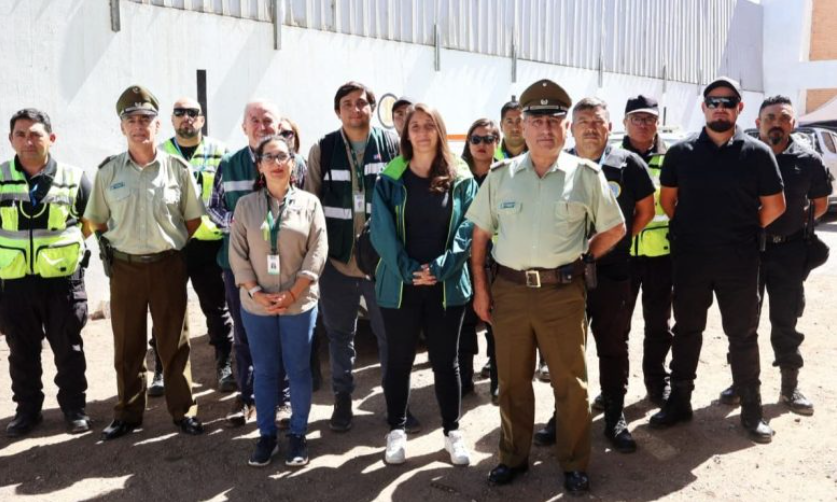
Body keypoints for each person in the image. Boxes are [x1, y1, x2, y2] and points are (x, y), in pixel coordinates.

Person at [468, 79, 626, 495]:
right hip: (511, 293)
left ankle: (574, 463)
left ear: (565, 127)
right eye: (536, 121)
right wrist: (481, 290)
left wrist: (585, 255)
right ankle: (512, 456)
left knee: (570, 385)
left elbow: (615, 227)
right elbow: (480, 239)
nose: (545, 129)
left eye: (554, 120)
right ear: (521, 125)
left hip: (562, 295)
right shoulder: (502, 176)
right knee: (513, 383)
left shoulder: (585, 175)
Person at [651, 77, 786, 444]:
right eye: (713, 101)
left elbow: (775, 206)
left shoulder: (757, 153)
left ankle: (752, 410)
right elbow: (668, 202)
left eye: (728, 102)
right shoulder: (681, 153)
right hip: (692, 260)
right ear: (704, 107)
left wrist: (739, 230)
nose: (720, 107)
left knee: (742, 334)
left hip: (739, 262)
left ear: (740, 108)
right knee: (687, 330)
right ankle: (679, 401)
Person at [84, 85, 205, 440]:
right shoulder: (108, 172)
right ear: (122, 127)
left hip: (168, 266)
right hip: (125, 269)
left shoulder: (178, 169)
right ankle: (127, 414)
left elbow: (193, 220)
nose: (139, 126)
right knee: (127, 345)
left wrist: (168, 243)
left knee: (175, 344)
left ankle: (183, 411)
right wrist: (127, 244)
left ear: (157, 126)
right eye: (131, 120)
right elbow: (98, 221)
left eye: (146, 119)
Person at [534, 98, 655, 453]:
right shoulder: (559, 164)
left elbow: (645, 212)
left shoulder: (628, 164)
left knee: (612, 344)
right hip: (565, 274)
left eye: (596, 120)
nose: (589, 126)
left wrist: (613, 242)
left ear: (609, 126)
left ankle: (615, 415)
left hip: (614, 272)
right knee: (566, 349)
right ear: (570, 127)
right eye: (582, 120)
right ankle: (563, 414)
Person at [371, 103, 478, 466]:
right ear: (406, 134)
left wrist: (442, 267)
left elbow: (469, 227)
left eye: (429, 125)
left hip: (446, 286)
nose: (421, 132)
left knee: (446, 362)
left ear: (440, 131)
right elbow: (381, 232)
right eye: (414, 126)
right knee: (398, 362)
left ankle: (452, 432)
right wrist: (408, 270)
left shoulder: (460, 175)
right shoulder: (390, 176)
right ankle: (396, 430)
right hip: (400, 286)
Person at [717, 96, 832, 415]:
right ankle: (741, 382)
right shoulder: (742, 156)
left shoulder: (808, 160)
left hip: (789, 252)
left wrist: (795, 219)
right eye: (769, 118)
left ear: (793, 124)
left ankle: (789, 386)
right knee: (743, 320)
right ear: (758, 123)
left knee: (786, 320)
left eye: (784, 117)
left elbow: (820, 204)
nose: (776, 123)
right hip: (749, 251)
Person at [305, 81, 409, 432]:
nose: (355, 109)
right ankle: (342, 401)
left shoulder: (393, 146)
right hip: (337, 262)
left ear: (371, 108)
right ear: (338, 111)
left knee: (390, 337)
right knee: (339, 337)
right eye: (347, 104)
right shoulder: (323, 149)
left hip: (381, 264)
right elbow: (312, 208)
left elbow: (404, 199)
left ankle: (398, 405)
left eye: (362, 103)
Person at [229, 135, 327, 467]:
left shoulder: (310, 204)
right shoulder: (245, 206)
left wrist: (293, 293)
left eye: (282, 156)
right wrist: (256, 291)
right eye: (268, 157)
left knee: (298, 370)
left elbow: (317, 252)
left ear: (293, 163)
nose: (276, 162)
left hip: (298, 304)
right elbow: (237, 255)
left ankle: (298, 435)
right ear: (259, 165)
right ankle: (267, 435)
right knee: (266, 371)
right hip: (257, 305)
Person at [1, 108, 92, 436]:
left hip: (62, 282)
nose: (28, 140)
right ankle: (27, 410)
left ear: (51, 139)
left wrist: (66, 249)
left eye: (35, 134)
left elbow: (91, 220)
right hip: (14, 283)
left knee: (68, 347)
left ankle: (74, 409)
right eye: (21, 134)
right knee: (21, 351)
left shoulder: (73, 177)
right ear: (11, 140)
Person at [208, 100, 291, 427]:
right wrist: (245, 224)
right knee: (243, 335)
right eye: (253, 120)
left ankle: (282, 401)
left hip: (281, 266)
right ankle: (248, 398)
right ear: (244, 127)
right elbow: (213, 208)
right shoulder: (228, 164)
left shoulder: (289, 163)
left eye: (267, 120)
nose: (261, 126)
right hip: (238, 267)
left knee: (281, 333)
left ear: (278, 124)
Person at [146, 97, 235, 397]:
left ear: (202, 119)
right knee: (165, 311)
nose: (186, 118)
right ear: (171, 120)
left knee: (217, 309)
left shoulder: (221, 152)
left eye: (192, 113)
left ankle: (224, 365)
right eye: (180, 113)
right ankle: (161, 369)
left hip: (208, 246)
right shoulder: (158, 154)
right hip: (171, 246)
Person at [621, 95, 674, 406]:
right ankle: (616, 385)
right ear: (626, 122)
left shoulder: (673, 157)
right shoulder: (613, 157)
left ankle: (657, 382)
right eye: (637, 118)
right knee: (617, 327)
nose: (643, 124)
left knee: (658, 325)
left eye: (649, 118)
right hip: (621, 255)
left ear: (658, 123)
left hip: (661, 257)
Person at [458, 118, 501, 403]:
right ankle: (464, 380)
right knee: (462, 324)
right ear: (468, 142)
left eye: (488, 139)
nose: (482, 145)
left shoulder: (506, 175)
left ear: (497, 143)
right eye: (476, 139)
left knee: (496, 323)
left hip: (497, 260)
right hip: (462, 259)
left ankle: (498, 380)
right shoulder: (456, 174)